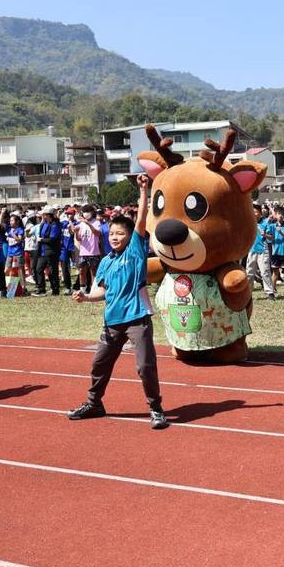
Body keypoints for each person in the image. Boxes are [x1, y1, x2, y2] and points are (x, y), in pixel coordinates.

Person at [67, 174, 167, 429]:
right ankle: (94, 403)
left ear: (129, 235)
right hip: (112, 322)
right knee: (100, 363)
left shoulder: (135, 251)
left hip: (137, 319)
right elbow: (101, 291)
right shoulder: (106, 262)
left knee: (145, 365)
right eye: (111, 233)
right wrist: (86, 297)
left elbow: (142, 218)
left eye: (120, 233)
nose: (114, 237)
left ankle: (155, 408)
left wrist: (144, 190)